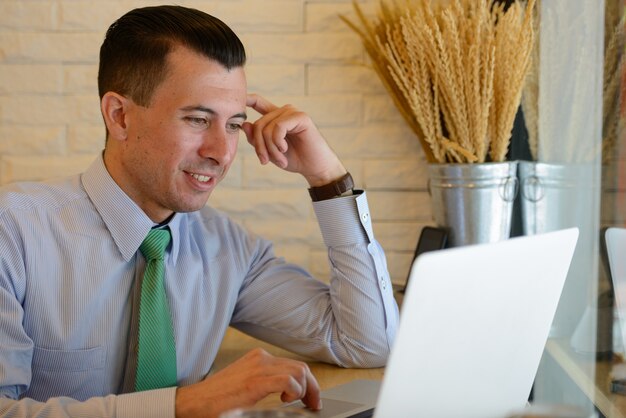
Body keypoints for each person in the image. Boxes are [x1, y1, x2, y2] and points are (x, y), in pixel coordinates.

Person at [0, 5, 399, 418]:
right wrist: (185, 405)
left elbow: (367, 343)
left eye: (232, 125)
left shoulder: (231, 251)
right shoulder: (12, 232)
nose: (221, 153)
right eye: (197, 119)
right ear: (119, 116)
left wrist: (328, 179)